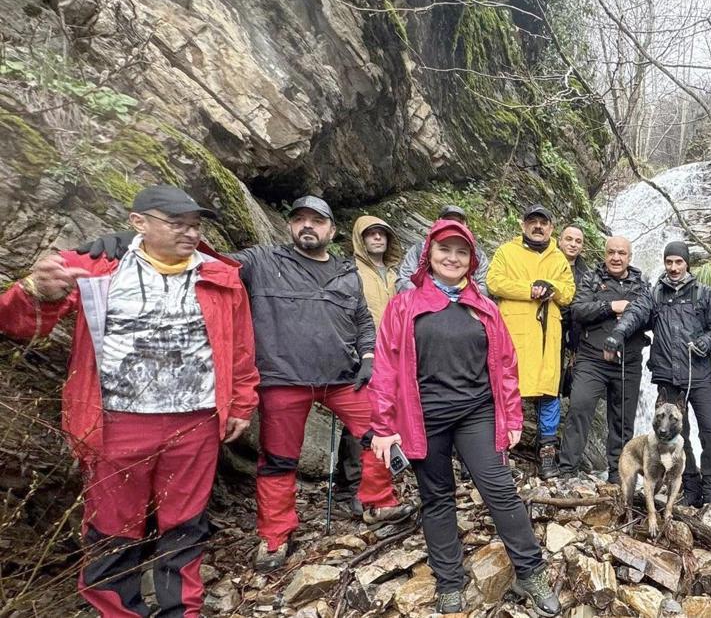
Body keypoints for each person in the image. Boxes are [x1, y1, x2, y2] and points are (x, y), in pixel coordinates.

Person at [78, 196, 412, 569]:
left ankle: (377, 502)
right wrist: (136, 242)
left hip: (342, 376)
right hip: (282, 378)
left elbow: (364, 321)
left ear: (331, 231)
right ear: (289, 226)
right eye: (299, 218)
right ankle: (275, 535)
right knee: (279, 460)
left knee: (381, 431)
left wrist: (368, 356)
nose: (307, 226)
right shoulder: (262, 260)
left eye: (317, 221)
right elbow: (208, 262)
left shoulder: (345, 272)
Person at [1, 185, 259, 615]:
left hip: (195, 420)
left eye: (195, 225)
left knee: (186, 522)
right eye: (176, 224)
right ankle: (118, 610)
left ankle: (183, 609)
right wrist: (34, 290)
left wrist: (242, 402)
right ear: (138, 222)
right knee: (113, 525)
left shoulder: (219, 274)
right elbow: (20, 323)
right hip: (116, 421)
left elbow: (240, 349)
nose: (190, 234)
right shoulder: (94, 268)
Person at [366, 219, 560, 616]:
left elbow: (506, 365)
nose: (452, 258)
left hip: (477, 412)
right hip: (424, 417)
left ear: (472, 261)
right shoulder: (404, 306)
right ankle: (449, 580)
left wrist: (512, 418)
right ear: (429, 255)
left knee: (500, 490)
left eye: (461, 252)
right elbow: (385, 367)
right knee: (436, 497)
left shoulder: (484, 307)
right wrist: (383, 427)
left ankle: (529, 571)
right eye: (444, 250)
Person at [605, 241, 711, 506]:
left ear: (686, 263)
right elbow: (635, 313)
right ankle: (691, 488)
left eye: (678, 262)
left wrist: (705, 342)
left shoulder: (704, 294)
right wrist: (618, 334)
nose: (673, 267)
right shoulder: (655, 294)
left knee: (710, 432)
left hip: (699, 374)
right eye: (669, 262)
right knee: (679, 435)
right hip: (667, 376)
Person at [486, 205, 576, 477]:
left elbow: (569, 292)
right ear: (523, 225)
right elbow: (494, 282)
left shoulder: (558, 257)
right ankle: (498, 456)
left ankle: (547, 455)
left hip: (549, 336)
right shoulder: (506, 252)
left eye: (543, 222)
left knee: (549, 393)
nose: (538, 226)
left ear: (551, 228)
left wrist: (553, 289)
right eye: (532, 222)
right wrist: (530, 290)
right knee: (505, 390)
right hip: (514, 331)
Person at [558, 236, 649, 482]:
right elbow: (578, 310)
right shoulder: (591, 277)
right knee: (579, 408)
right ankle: (567, 470)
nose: (616, 257)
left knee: (622, 422)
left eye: (621, 253)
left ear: (629, 257)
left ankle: (618, 475)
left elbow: (651, 316)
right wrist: (612, 307)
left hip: (627, 363)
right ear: (604, 254)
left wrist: (631, 315)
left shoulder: (641, 283)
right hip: (591, 359)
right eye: (611, 252)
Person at [339, 215, 406, 513]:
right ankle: (353, 485)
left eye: (382, 234)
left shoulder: (397, 273)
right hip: (362, 353)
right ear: (360, 239)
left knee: (387, 418)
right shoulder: (349, 271)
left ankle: (378, 481)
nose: (377, 239)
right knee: (360, 422)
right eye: (371, 234)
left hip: (395, 353)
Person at [397, 205, 490, 295]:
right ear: (437, 222)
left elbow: (483, 288)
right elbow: (404, 280)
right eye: (448, 220)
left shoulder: (478, 255)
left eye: (458, 222)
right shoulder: (419, 249)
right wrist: (428, 298)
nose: (453, 224)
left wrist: (457, 300)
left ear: (466, 226)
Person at [556, 224, 591, 401]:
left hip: (575, 334)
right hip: (548, 328)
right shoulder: (546, 263)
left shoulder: (587, 274)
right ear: (559, 240)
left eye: (578, 241)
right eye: (569, 239)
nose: (573, 244)